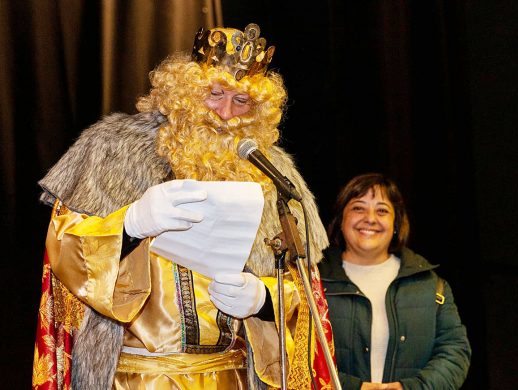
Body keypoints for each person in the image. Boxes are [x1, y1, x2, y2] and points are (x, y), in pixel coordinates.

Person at [32, 23, 335, 389]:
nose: (226, 113)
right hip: (136, 379)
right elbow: (63, 250)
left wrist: (265, 299)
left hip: (234, 378)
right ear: (184, 92)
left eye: (242, 101)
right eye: (215, 93)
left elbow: (304, 288)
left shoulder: (273, 172)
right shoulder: (112, 149)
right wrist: (129, 224)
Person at [318, 173, 471, 390]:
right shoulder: (312, 283)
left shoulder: (431, 285)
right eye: (358, 208)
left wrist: (406, 388)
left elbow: (455, 351)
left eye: (382, 210)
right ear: (340, 220)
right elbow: (299, 354)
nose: (370, 218)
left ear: (396, 223)